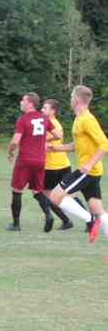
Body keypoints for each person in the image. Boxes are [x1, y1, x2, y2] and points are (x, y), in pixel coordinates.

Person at [48, 85, 108, 243]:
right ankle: (93, 217)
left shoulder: (87, 120)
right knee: (98, 209)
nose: (70, 100)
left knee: (55, 196)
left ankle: (90, 220)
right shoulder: (79, 119)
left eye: (71, 97)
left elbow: (105, 144)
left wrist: (89, 164)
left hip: (88, 171)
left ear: (76, 99)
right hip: (91, 171)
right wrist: (56, 148)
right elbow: (76, 145)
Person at [6, 92, 60, 232]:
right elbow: (58, 135)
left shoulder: (23, 119)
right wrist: (43, 140)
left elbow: (15, 141)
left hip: (25, 159)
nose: (20, 102)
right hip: (40, 160)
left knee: (17, 190)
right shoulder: (44, 118)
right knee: (37, 190)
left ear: (30, 103)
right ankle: (48, 215)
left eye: (23, 100)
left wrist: (10, 152)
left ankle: (16, 224)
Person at [42, 98, 76, 230]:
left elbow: (59, 136)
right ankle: (70, 221)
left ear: (53, 111)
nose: (42, 110)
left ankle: (87, 219)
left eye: (45, 108)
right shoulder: (45, 123)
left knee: (49, 197)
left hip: (55, 166)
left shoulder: (53, 124)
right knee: (56, 196)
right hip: (55, 165)